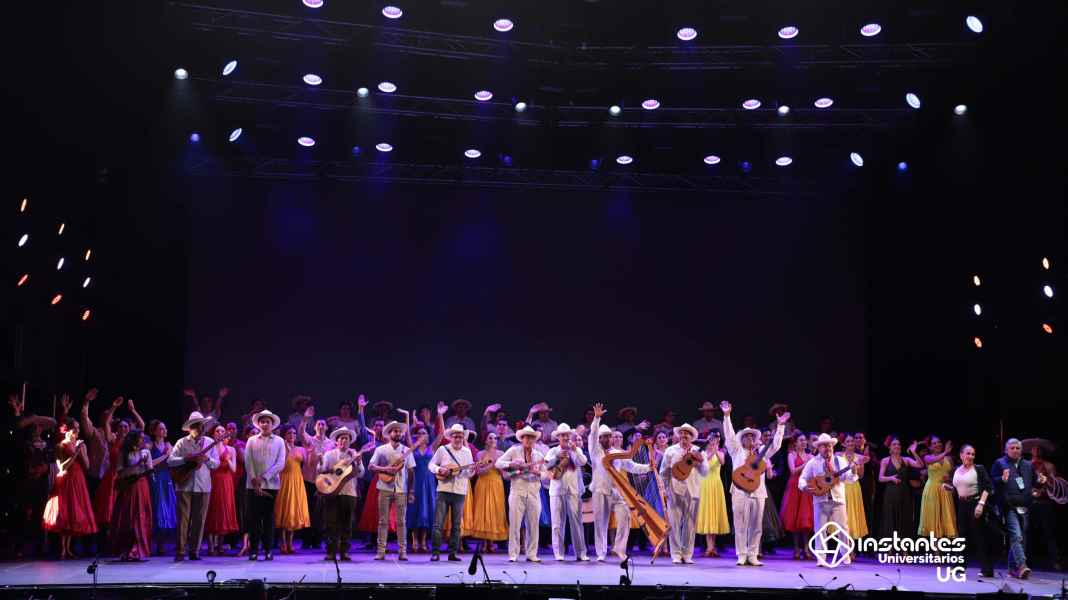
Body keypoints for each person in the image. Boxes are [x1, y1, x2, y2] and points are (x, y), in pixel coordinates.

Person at [722, 401, 787, 566]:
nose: (750, 438)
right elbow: (729, 435)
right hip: (739, 491)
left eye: (752, 436)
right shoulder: (736, 451)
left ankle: (752, 554)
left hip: (758, 492)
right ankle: (741, 554)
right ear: (741, 440)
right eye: (746, 436)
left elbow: (776, 446)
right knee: (740, 524)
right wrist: (727, 416)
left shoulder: (761, 453)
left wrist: (780, 426)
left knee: (757, 525)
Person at [587, 403, 650, 561]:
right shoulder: (595, 451)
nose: (607, 438)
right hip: (599, 490)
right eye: (604, 436)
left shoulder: (617, 453)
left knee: (625, 516)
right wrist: (596, 419)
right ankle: (601, 553)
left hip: (615, 491)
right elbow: (592, 434)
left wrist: (649, 467)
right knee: (600, 523)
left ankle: (619, 548)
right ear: (599, 439)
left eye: (609, 436)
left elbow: (632, 466)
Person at [166, 411, 220, 561]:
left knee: (199, 520)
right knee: (183, 520)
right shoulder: (182, 442)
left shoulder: (210, 442)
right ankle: (180, 551)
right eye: (196, 426)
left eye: (201, 426)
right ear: (190, 428)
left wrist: (207, 459)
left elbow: (216, 464)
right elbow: (170, 460)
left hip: (203, 485)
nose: (200, 428)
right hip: (184, 485)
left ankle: (194, 551)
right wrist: (185, 459)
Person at [991, 437, 1046, 579]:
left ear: (1021, 450)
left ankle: (1012, 569)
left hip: (1025, 506)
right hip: (1009, 506)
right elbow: (992, 483)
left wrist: (1041, 481)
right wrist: (1001, 479)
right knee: (1016, 536)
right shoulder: (1000, 463)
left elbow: (1034, 483)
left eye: (1018, 448)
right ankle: (1022, 565)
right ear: (1006, 450)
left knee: (1019, 539)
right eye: (1012, 448)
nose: (1015, 450)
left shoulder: (1028, 465)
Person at [799, 433, 857, 566]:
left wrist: (853, 470)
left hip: (838, 499)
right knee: (820, 530)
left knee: (843, 529)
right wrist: (805, 487)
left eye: (829, 445)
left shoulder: (839, 461)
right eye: (824, 446)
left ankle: (845, 554)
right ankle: (821, 557)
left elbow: (849, 478)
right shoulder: (813, 462)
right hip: (821, 500)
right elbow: (802, 478)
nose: (827, 448)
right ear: (819, 448)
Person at [43, 418, 98, 559]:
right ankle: (62, 549)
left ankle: (68, 548)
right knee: (65, 514)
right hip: (66, 480)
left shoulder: (80, 444)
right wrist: (76, 453)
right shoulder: (60, 446)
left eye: (78, 428)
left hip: (78, 480)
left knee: (73, 514)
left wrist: (82, 451)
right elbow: (62, 467)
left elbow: (87, 466)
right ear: (67, 429)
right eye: (75, 428)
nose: (78, 431)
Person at [661, 422, 709, 564]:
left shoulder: (699, 451)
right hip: (674, 490)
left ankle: (687, 554)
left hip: (693, 490)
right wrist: (665, 489)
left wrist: (700, 462)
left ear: (692, 437)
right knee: (674, 523)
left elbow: (705, 472)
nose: (684, 435)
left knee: (690, 524)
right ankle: (676, 554)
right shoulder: (670, 450)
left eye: (687, 433)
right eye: (682, 433)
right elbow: (663, 472)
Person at [428, 423, 477, 561]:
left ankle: (453, 553)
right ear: (450, 437)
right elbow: (431, 464)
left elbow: (468, 473)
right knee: (438, 523)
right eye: (455, 436)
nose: (458, 439)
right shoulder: (443, 450)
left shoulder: (467, 452)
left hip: (460, 491)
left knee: (456, 525)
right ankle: (435, 552)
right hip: (443, 490)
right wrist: (439, 470)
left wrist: (471, 471)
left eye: (460, 437)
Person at [497, 425, 545, 562]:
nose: (529, 440)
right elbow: (498, 463)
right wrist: (511, 464)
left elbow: (546, 474)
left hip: (534, 491)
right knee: (515, 523)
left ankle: (532, 554)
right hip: (517, 490)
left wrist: (538, 472)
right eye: (526, 437)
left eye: (531, 437)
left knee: (533, 524)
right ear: (522, 439)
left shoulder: (539, 455)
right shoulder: (514, 450)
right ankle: (513, 554)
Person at [369, 420, 416, 560]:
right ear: (389, 434)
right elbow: (371, 466)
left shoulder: (406, 450)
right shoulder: (381, 450)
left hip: (401, 489)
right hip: (384, 488)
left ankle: (402, 551)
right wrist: (386, 469)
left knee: (401, 521)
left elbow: (411, 472)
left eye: (400, 431)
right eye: (395, 431)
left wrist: (411, 491)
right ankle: (381, 551)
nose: (398, 433)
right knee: (383, 521)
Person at [243, 409, 286, 561]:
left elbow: (280, 463)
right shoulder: (251, 440)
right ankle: (254, 550)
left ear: (272, 424)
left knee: (268, 519)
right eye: (262, 421)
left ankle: (268, 550)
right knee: (254, 519)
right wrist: (254, 479)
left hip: (271, 485)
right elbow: (248, 461)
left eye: (267, 422)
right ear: (258, 424)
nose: (265, 424)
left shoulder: (279, 441)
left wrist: (264, 477)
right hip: (253, 485)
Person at [319, 427, 365, 561]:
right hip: (331, 491)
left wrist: (359, 461)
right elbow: (321, 471)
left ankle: (344, 552)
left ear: (350, 441)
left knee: (347, 523)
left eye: (346, 438)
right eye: (341, 438)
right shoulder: (329, 454)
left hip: (349, 492)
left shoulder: (354, 454)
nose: (344, 441)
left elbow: (361, 474)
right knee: (330, 522)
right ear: (337, 441)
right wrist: (321, 462)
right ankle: (331, 551)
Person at [545, 423, 589, 561]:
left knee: (577, 522)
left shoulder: (575, 449)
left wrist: (575, 450)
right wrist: (557, 457)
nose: (565, 437)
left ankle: (581, 553)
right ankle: (559, 553)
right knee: (557, 523)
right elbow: (546, 465)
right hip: (557, 491)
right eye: (562, 435)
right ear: (558, 437)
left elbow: (583, 462)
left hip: (573, 490)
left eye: (567, 435)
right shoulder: (553, 451)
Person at [109, 430, 154, 561]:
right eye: (140, 438)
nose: (143, 440)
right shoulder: (124, 453)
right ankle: (126, 550)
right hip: (128, 486)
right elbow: (119, 472)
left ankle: (137, 551)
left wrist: (146, 467)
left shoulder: (146, 452)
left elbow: (150, 469)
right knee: (127, 517)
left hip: (142, 486)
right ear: (133, 439)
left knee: (140, 517)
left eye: (143, 438)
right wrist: (136, 466)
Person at [952, 444, 995, 578]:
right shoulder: (957, 470)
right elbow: (959, 487)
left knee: (979, 537)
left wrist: (981, 504)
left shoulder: (978, 469)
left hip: (975, 503)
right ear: (961, 455)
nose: (970, 456)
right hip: (962, 505)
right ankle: (959, 567)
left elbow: (988, 488)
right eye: (968, 453)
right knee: (962, 537)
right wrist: (950, 488)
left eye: (973, 454)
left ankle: (987, 569)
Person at [298, 407, 335, 551]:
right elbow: (301, 432)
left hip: (323, 481)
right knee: (307, 509)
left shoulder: (331, 443)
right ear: (314, 427)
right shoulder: (310, 440)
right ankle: (306, 539)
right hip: (309, 478)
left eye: (323, 424)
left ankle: (318, 539)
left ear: (326, 428)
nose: (320, 426)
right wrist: (306, 418)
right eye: (318, 424)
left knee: (320, 511)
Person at [467, 431, 508, 553]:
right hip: (483, 484)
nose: (493, 440)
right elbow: (479, 472)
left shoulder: (501, 454)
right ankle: (484, 542)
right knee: (483, 511)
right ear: (486, 440)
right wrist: (492, 464)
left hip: (496, 484)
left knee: (494, 511)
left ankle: (491, 542)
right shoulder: (480, 454)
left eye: (495, 438)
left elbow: (504, 473)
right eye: (490, 437)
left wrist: (499, 465)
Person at [274, 425, 311, 554]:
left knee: (293, 512)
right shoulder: (280, 448)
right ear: (284, 435)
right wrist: (286, 449)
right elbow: (279, 464)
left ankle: (290, 544)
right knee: (284, 511)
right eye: (289, 433)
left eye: (294, 433)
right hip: (284, 480)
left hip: (297, 481)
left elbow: (308, 464)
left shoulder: (300, 449)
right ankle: (283, 543)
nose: (292, 435)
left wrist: (312, 453)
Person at [878, 437, 922, 542]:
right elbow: (880, 478)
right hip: (891, 493)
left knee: (904, 518)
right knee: (891, 518)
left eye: (898, 444)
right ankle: (891, 545)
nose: (897, 446)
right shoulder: (885, 460)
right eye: (894, 444)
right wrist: (891, 478)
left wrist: (913, 452)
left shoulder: (906, 460)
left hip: (904, 493)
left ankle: (904, 545)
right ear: (889, 447)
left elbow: (920, 465)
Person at [204, 424, 238, 555]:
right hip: (212, 480)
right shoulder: (209, 448)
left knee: (223, 511)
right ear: (213, 434)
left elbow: (234, 469)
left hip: (226, 482)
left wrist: (228, 460)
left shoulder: (231, 449)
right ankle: (211, 545)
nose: (220, 433)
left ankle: (220, 545)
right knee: (212, 510)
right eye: (217, 431)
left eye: (222, 431)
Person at [914, 435, 957, 538]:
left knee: (946, 516)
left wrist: (950, 479)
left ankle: (947, 544)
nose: (937, 444)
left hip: (945, 489)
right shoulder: (927, 457)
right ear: (930, 447)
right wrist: (945, 452)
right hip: (932, 489)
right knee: (933, 517)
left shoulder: (949, 459)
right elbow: (934, 460)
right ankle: (935, 547)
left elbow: (954, 475)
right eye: (934, 443)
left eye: (939, 442)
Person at [780, 431, 814, 560]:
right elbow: (793, 471)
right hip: (795, 487)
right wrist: (807, 464)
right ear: (795, 443)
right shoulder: (791, 455)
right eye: (801, 440)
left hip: (806, 487)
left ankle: (806, 548)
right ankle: (796, 549)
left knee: (805, 519)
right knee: (794, 518)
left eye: (805, 440)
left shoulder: (810, 455)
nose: (804, 442)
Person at [696, 429, 729, 557]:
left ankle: (712, 547)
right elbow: (705, 463)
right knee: (707, 514)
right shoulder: (703, 453)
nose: (713, 442)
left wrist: (716, 451)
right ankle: (709, 547)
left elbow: (722, 462)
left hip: (716, 484)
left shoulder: (721, 453)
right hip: (705, 484)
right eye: (711, 439)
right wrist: (711, 452)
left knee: (714, 515)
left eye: (716, 440)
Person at [1028, 444, 1062, 571]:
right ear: (1031, 451)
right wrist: (1028, 490)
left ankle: (1055, 560)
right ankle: (1026, 561)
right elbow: (1020, 480)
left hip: (1045, 503)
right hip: (1030, 502)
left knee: (1049, 532)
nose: (1036, 451)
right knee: (1027, 532)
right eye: (1034, 448)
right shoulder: (1026, 465)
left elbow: (1054, 484)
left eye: (1039, 449)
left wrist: (1043, 488)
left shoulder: (1049, 466)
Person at [146, 419, 177, 556]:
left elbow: (173, 461)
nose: (164, 431)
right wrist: (165, 456)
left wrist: (170, 457)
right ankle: (153, 542)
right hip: (155, 479)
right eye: (161, 429)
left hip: (166, 478)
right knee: (156, 508)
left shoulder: (169, 445)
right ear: (154, 431)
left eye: (165, 428)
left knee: (167, 508)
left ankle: (162, 543)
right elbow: (149, 463)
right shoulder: (150, 445)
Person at [407, 425, 437, 553]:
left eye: (424, 432)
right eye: (419, 433)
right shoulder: (413, 448)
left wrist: (440, 416)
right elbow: (407, 434)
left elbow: (441, 434)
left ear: (428, 435)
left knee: (426, 512)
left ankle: (424, 541)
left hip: (429, 483)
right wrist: (408, 419)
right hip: (416, 482)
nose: (422, 434)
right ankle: (414, 540)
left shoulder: (432, 448)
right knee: (415, 510)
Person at [841, 433, 870, 543]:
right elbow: (836, 474)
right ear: (844, 444)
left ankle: (851, 546)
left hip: (854, 488)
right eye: (848, 441)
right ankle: (844, 545)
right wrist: (851, 465)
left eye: (852, 441)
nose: (850, 443)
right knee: (843, 516)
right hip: (842, 487)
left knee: (852, 516)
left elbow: (861, 475)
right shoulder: (838, 456)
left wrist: (857, 467)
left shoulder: (860, 457)